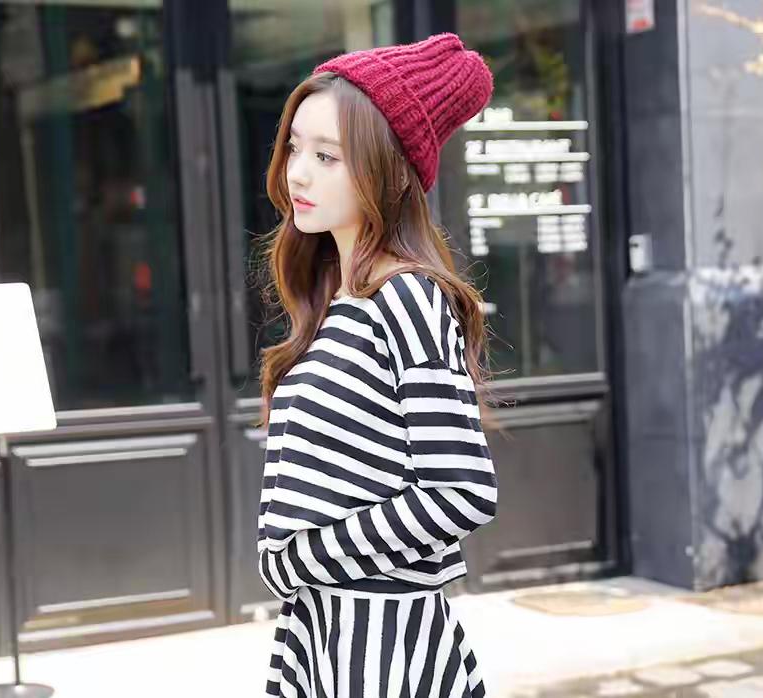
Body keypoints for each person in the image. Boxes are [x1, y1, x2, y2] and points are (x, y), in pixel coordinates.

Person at [254, 32, 499, 698]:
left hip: (383, 639)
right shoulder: (338, 300)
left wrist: (303, 558)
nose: (298, 173)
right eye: (294, 148)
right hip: (323, 629)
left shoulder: (407, 296)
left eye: (326, 156)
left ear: (386, 171)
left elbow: (461, 490)